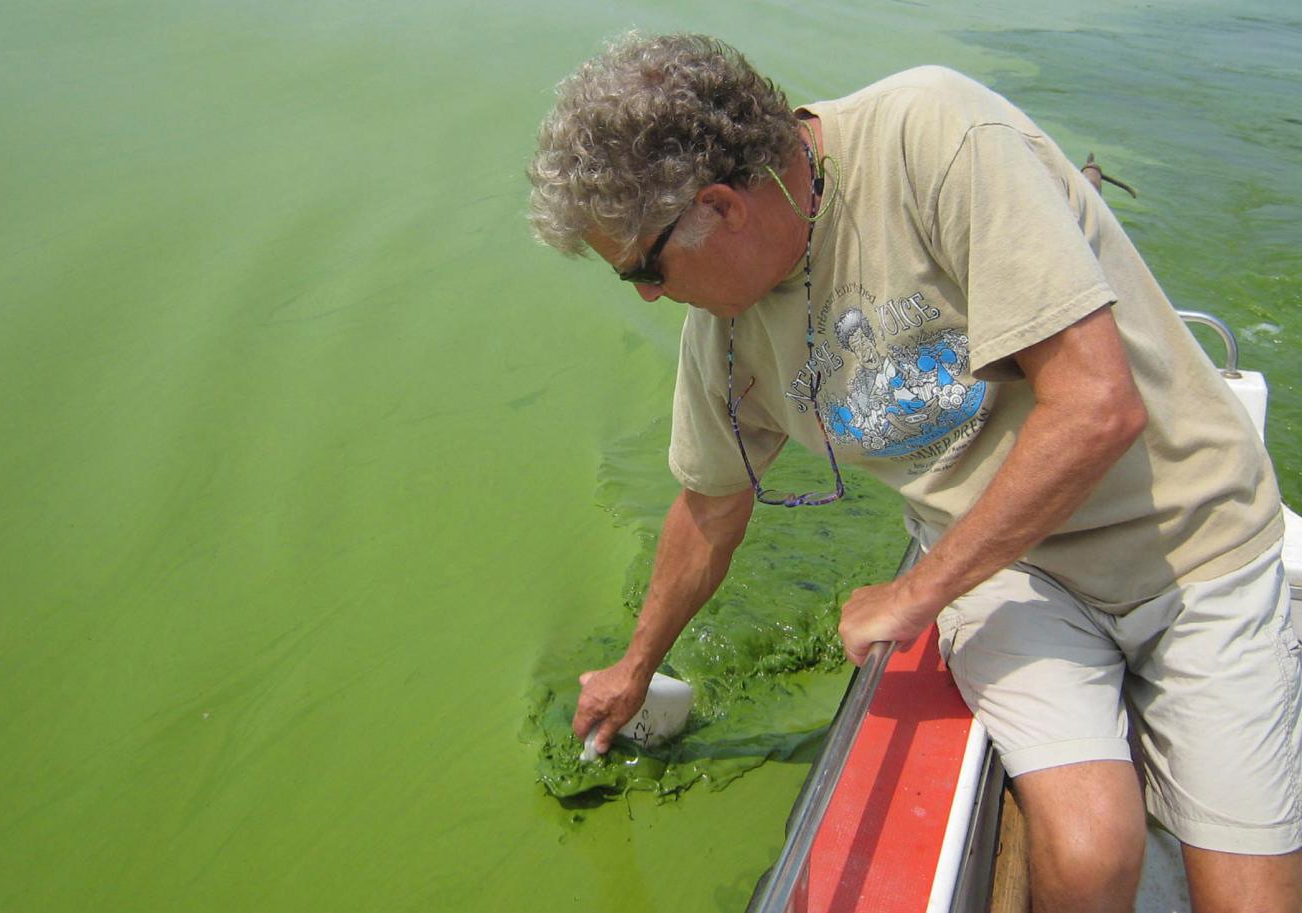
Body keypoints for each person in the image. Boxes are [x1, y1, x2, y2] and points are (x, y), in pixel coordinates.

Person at [526, 33, 1301, 913]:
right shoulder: (727, 330)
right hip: (1015, 573)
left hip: (1189, 541)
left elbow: (1097, 408)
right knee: (1091, 855)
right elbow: (710, 509)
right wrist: (634, 667)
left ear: (718, 207)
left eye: (644, 267)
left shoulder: (935, 135)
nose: (648, 298)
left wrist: (912, 593)